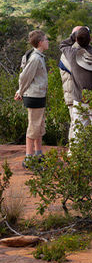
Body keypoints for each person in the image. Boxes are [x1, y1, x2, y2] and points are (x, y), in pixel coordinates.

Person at [60, 27, 92, 146]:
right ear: (90, 39)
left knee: (78, 133)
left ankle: (75, 160)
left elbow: (62, 44)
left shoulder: (72, 55)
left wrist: (74, 35)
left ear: (76, 39)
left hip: (79, 100)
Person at [14, 30, 49, 168]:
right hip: (33, 96)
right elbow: (24, 77)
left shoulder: (39, 56)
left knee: (39, 125)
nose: (48, 42)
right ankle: (29, 158)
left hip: (38, 95)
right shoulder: (35, 58)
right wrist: (20, 91)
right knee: (33, 127)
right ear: (40, 42)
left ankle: (39, 154)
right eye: (46, 39)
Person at [58, 26, 83, 142]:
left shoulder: (81, 50)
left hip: (81, 95)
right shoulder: (68, 53)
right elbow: (78, 71)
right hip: (73, 94)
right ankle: (73, 153)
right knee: (76, 123)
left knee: (82, 124)